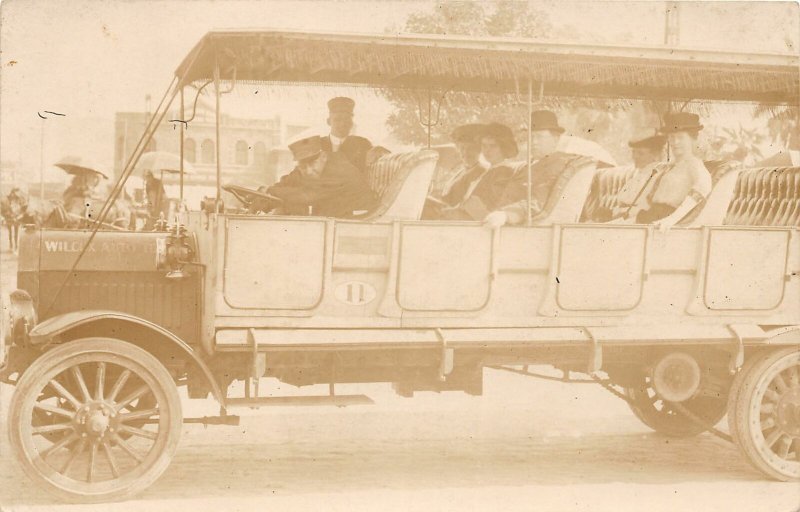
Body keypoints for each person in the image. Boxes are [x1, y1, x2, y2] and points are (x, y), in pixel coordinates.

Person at [251, 135, 378, 218]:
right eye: (303, 165)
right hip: (334, 219)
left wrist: (271, 191)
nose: (308, 170)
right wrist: (263, 196)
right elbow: (289, 181)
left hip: (358, 222)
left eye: (312, 163)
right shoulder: (309, 166)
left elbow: (308, 196)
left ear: (323, 156)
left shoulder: (340, 169)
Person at [483, 110, 569, 227]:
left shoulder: (556, 165)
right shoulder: (531, 164)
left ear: (555, 139)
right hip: (497, 220)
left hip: (516, 228)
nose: (533, 142)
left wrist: (506, 215)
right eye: (531, 136)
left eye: (539, 137)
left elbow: (538, 202)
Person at [634, 112, 712, 231]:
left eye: (680, 137)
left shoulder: (693, 164)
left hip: (667, 224)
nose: (675, 142)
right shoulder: (670, 166)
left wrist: (672, 219)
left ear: (692, 139)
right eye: (671, 137)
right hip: (650, 217)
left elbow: (702, 188)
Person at [454, 122, 520, 220]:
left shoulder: (503, 172)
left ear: (504, 147)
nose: (487, 150)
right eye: (484, 145)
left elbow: (490, 208)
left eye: (492, 146)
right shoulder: (489, 170)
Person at [422, 123, 487, 219]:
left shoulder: (480, 172)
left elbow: (464, 206)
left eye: (470, 149)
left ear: (480, 150)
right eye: (462, 148)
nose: (465, 153)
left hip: (457, 220)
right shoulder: (463, 170)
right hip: (447, 215)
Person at [609, 128, 667, 221]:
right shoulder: (641, 174)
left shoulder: (655, 176)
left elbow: (643, 207)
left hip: (635, 221)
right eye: (633, 152)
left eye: (640, 153)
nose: (634, 157)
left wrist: (616, 214)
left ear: (655, 155)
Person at [320, 97, 373, 172]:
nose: (342, 124)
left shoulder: (363, 144)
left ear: (352, 123)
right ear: (328, 121)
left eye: (347, 119)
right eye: (337, 119)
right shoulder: (318, 145)